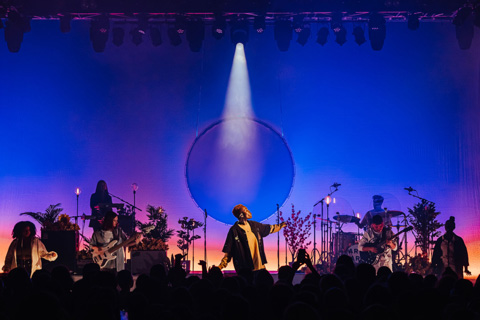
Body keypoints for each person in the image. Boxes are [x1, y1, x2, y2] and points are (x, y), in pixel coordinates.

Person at [218, 204, 287, 272]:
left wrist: (281, 225)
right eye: (246, 210)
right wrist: (220, 266)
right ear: (241, 215)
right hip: (245, 271)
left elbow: (270, 228)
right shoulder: (234, 230)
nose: (249, 211)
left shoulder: (254, 225)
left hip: (260, 268)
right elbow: (229, 252)